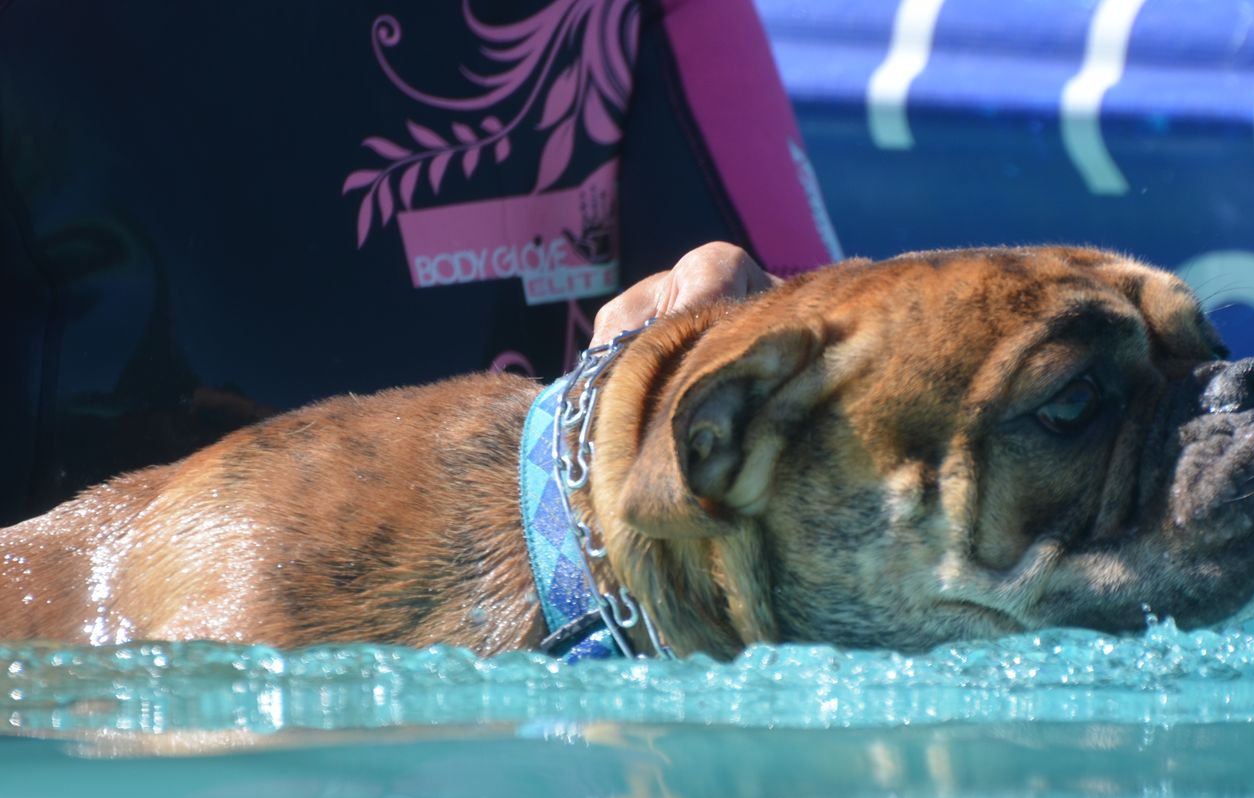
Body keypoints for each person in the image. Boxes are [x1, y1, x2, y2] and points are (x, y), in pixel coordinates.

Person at [0, 0, 841, 526]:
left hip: (518, 690)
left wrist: (756, 326)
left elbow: (835, 410)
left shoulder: (632, 16)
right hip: (87, 675)